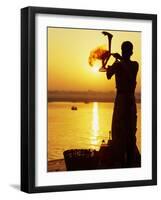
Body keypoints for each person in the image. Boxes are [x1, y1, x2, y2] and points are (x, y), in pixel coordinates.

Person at [106, 41, 139, 167]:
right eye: (123, 50)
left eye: (127, 50)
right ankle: (119, 160)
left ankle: (130, 160)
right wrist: (112, 64)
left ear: (131, 52)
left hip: (129, 100)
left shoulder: (134, 65)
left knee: (130, 130)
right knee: (118, 129)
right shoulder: (119, 65)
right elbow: (108, 75)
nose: (125, 53)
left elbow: (131, 78)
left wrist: (120, 61)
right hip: (120, 100)